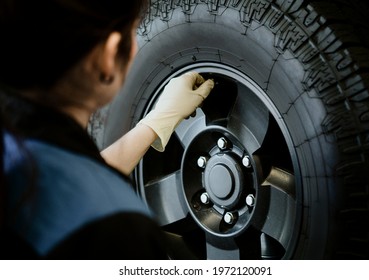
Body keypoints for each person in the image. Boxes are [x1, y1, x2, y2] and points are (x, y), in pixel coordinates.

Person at [0, 0, 214, 259]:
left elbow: (61, 181)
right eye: (134, 32)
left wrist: (156, 122)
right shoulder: (115, 232)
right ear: (108, 56)